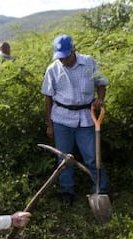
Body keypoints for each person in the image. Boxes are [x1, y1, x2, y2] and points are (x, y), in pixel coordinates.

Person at [41, 34, 109, 204]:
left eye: (66, 56)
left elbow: (101, 83)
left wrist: (100, 99)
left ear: (73, 50)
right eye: (60, 57)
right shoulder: (53, 69)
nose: (64, 60)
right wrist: (49, 125)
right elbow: (48, 99)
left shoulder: (89, 62)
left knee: (92, 156)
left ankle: (100, 188)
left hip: (86, 117)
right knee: (64, 158)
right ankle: (67, 191)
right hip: (61, 118)